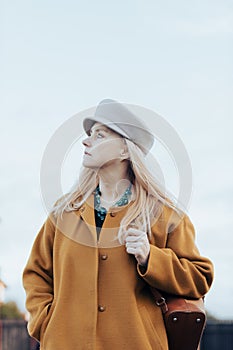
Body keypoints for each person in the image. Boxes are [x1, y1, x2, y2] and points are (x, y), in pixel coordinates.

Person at [22, 99, 214, 350]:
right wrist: (46, 323)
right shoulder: (64, 213)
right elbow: (36, 274)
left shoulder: (164, 215)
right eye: (90, 134)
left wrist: (150, 258)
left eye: (100, 135)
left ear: (125, 151)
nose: (86, 141)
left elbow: (200, 278)